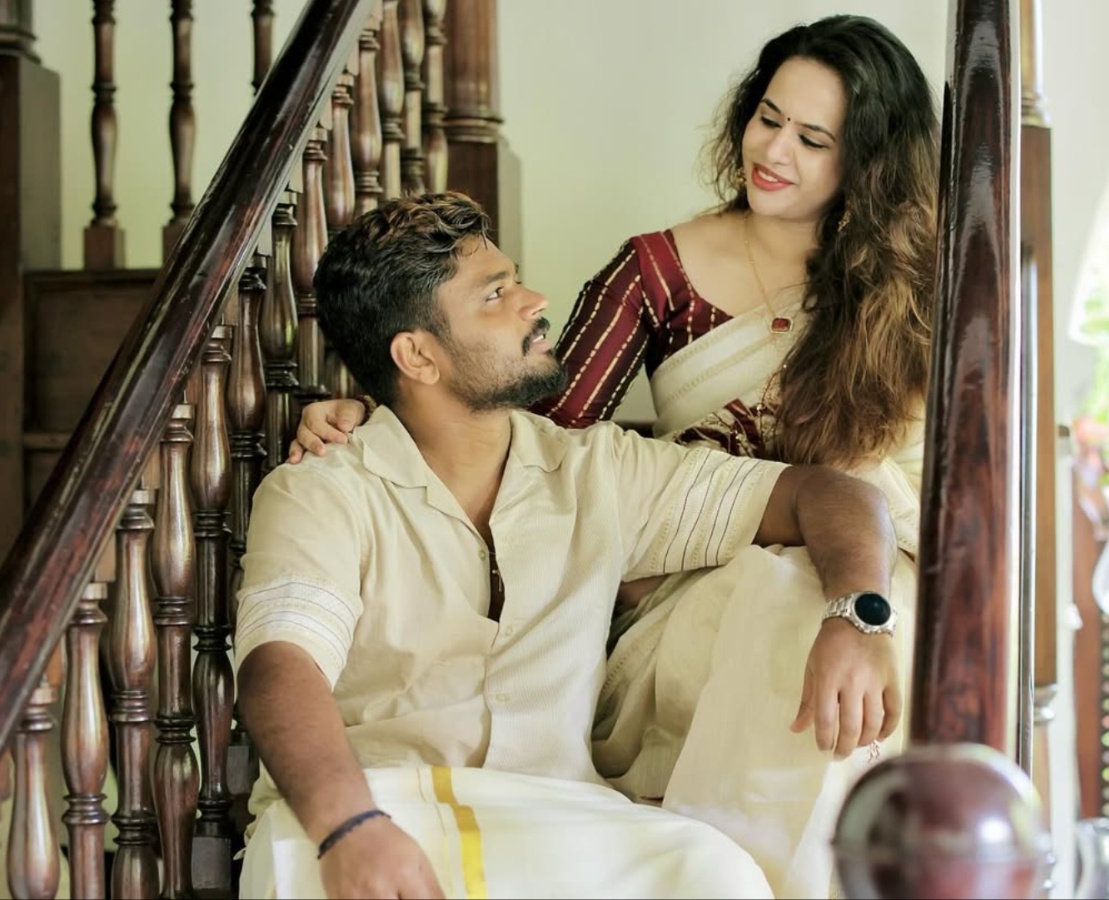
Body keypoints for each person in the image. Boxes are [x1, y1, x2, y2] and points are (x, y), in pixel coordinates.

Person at [290, 15, 937, 898]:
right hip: (704, 583)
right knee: (774, 596)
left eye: (812, 138)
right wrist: (379, 401)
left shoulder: (923, 284)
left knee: (883, 608)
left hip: (868, 555)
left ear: (865, 162)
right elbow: (520, 430)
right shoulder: (659, 271)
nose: (774, 150)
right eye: (768, 117)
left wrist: (859, 606)